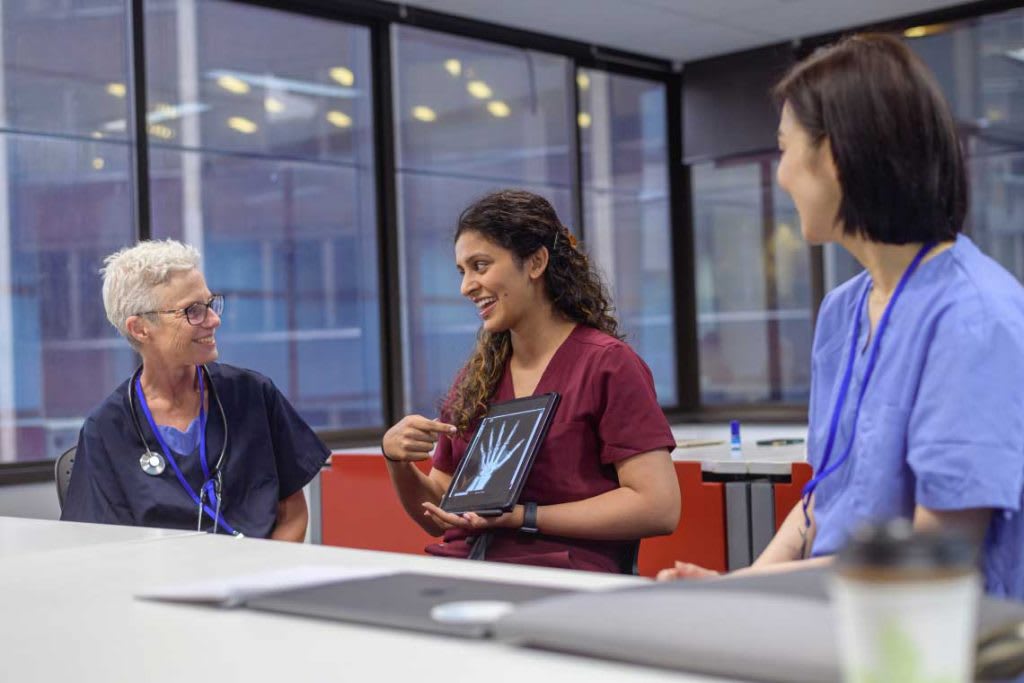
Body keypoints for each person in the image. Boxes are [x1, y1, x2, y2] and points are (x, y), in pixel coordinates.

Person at [659, 34, 1024, 598]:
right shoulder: (843, 311)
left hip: (943, 646)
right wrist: (748, 584)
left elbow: (934, 559)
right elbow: (824, 497)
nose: (780, 175)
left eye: (784, 147)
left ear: (834, 155)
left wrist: (756, 593)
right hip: (840, 619)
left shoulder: (974, 318)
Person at [382, 190, 680, 573]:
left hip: (563, 580)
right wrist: (397, 461)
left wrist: (522, 516)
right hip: (468, 571)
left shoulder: (608, 365)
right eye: (462, 271)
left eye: (480, 265)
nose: (466, 286)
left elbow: (658, 506)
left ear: (536, 262)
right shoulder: (476, 378)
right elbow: (441, 511)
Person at [60, 239, 329, 540]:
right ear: (140, 328)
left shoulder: (254, 395)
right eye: (193, 311)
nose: (214, 320)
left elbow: (292, 514)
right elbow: (104, 547)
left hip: (259, 577)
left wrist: (264, 579)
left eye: (210, 304)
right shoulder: (107, 430)